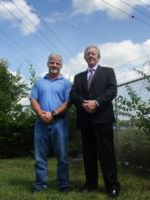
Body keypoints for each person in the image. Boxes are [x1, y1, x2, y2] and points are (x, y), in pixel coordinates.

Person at [70, 45, 120, 198]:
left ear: (98, 56)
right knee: (89, 154)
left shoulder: (108, 72)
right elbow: (73, 94)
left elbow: (112, 90)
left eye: (93, 53)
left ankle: (112, 185)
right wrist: (85, 103)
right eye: (88, 54)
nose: (90, 55)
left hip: (103, 119)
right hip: (86, 120)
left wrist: (96, 103)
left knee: (107, 154)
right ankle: (90, 183)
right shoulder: (78, 77)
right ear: (85, 57)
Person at [30, 53, 71, 193]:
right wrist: (42, 114)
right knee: (40, 157)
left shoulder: (66, 83)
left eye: (57, 63)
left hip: (59, 123)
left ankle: (64, 186)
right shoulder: (39, 82)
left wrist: (53, 114)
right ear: (47, 63)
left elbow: (68, 102)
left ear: (61, 65)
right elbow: (33, 100)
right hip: (41, 123)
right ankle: (39, 185)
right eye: (52, 62)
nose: (55, 65)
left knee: (62, 157)